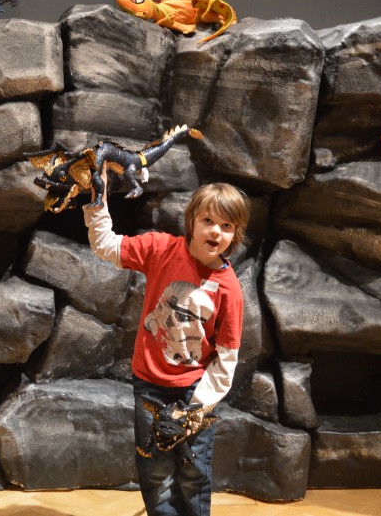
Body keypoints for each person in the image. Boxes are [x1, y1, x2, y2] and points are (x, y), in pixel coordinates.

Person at [84, 173, 249, 516]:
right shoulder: (160, 249)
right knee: (155, 473)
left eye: (227, 225)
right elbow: (105, 245)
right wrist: (97, 195)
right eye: (208, 221)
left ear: (235, 234)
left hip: (193, 393)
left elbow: (227, 356)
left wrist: (196, 409)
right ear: (192, 221)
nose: (216, 231)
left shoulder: (229, 289)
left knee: (194, 472)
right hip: (149, 388)